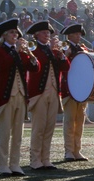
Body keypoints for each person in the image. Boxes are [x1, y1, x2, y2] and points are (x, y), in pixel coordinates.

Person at [0, 18, 38, 176]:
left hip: (21, 96)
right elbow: (3, 66)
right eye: (12, 32)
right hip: (6, 96)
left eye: (16, 32)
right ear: (4, 35)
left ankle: (15, 164)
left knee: (18, 133)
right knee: (5, 133)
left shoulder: (21, 51)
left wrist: (30, 55)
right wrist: (16, 51)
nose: (15, 35)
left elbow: (35, 68)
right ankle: (2, 165)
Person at [25, 20, 69, 171]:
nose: (47, 35)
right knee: (39, 128)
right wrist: (51, 50)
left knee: (49, 127)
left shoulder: (53, 51)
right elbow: (38, 64)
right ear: (36, 35)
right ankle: (35, 160)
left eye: (48, 33)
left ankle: (46, 159)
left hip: (54, 92)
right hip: (39, 93)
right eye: (44, 33)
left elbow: (65, 67)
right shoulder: (33, 49)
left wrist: (61, 54)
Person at [60, 23, 91, 161]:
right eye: (77, 34)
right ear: (70, 35)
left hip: (82, 89)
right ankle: (68, 151)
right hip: (70, 89)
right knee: (69, 121)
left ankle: (77, 150)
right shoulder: (65, 47)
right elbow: (62, 66)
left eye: (80, 34)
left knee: (79, 121)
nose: (79, 36)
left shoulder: (82, 48)